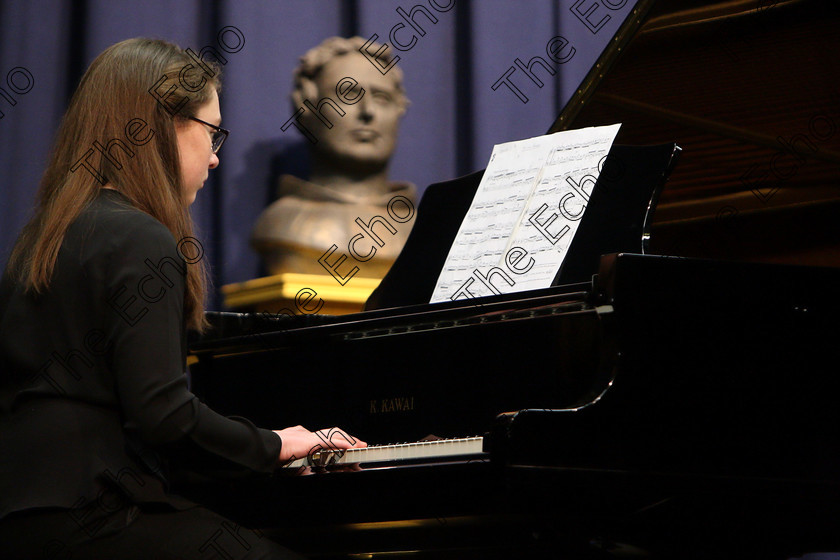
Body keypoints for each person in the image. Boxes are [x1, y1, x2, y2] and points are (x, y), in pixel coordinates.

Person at [0, 38, 365, 559]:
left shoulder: (40, 238)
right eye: (213, 133)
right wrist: (276, 443)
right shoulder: (141, 238)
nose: (216, 159)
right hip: (97, 516)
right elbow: (163, 415)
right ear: (161, 124)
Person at [251, 36, 415, 279]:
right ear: (305, 106)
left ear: (399, 109)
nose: (367, 111)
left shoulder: (427, 232)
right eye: (348, 95)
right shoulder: (281, 225)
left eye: (381, 98)